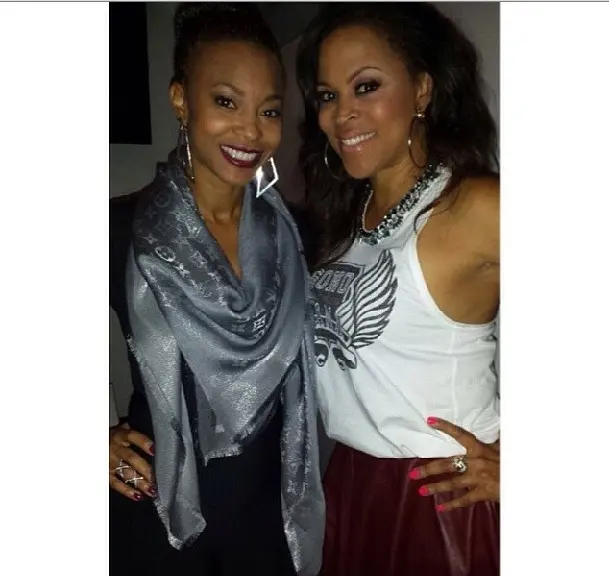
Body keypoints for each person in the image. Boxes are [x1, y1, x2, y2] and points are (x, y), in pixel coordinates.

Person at [109, 4, 324, 575]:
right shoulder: (121, 231)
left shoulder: (299, 237)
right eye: (226, 102)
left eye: (269, 111)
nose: (251, 131)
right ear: (181, 100)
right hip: (158, 516)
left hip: (268, 519)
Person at [296, 3, 499, 575]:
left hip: (439, 503)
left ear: (422, 91)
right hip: (354, 485)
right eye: (328, 95)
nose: (341, 114)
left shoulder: (472, 206)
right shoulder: (345, 221)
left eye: (366, 86)